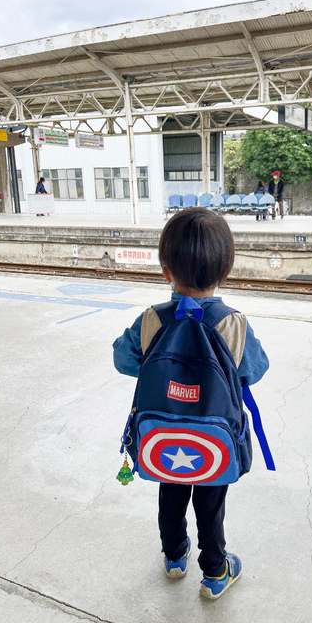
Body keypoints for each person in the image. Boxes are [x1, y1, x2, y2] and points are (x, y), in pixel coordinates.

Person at [112, 207, 269, 601]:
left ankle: (174, 557)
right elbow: (257, 369)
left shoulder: (151, 320)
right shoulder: (233, 323)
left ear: (166, 268)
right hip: (213, 441)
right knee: (211, 506)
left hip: (164, 436)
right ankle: (216, 572)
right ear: (225, 269)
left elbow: (123, 360)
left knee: (171, 492)